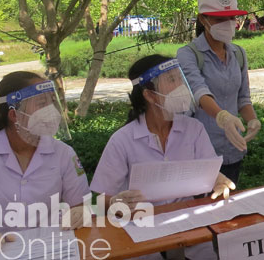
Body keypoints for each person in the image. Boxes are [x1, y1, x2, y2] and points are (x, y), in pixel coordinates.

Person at [90, 55, 233, 260]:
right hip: (140, 234)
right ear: (150, 95)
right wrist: (115, 202)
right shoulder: (122, 140)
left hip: (189, 227)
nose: (182, 87)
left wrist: (218, 180)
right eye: (172, 80)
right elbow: (99, 201)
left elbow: (209, 172)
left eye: (180, 78)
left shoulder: (194, 129)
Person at [0, 72, 90, 255]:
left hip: (49, 251)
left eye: (51, 101)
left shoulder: (63, 154)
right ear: (14, 114)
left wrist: (81, 212)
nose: (51, 110)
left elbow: (81, 204)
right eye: (42, 104)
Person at [177, 0, 260, 185]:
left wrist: (252, 120)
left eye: (231, 18)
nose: (227, 24)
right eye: (219, 19)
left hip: (233, 148)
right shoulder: (188, 54)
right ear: (203, 19)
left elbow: (243, 97)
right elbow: (199, 91)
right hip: (200, 152)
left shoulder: (238, 53)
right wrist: (222, 116)